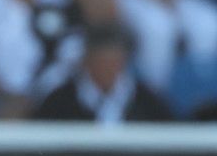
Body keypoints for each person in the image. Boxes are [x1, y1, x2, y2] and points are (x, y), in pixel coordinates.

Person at [32, 24, 172, 124]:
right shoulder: (59, 102)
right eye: (101, 63)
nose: (108, 70)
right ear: (87, 62)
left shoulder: (146, 101)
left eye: (114, 63)